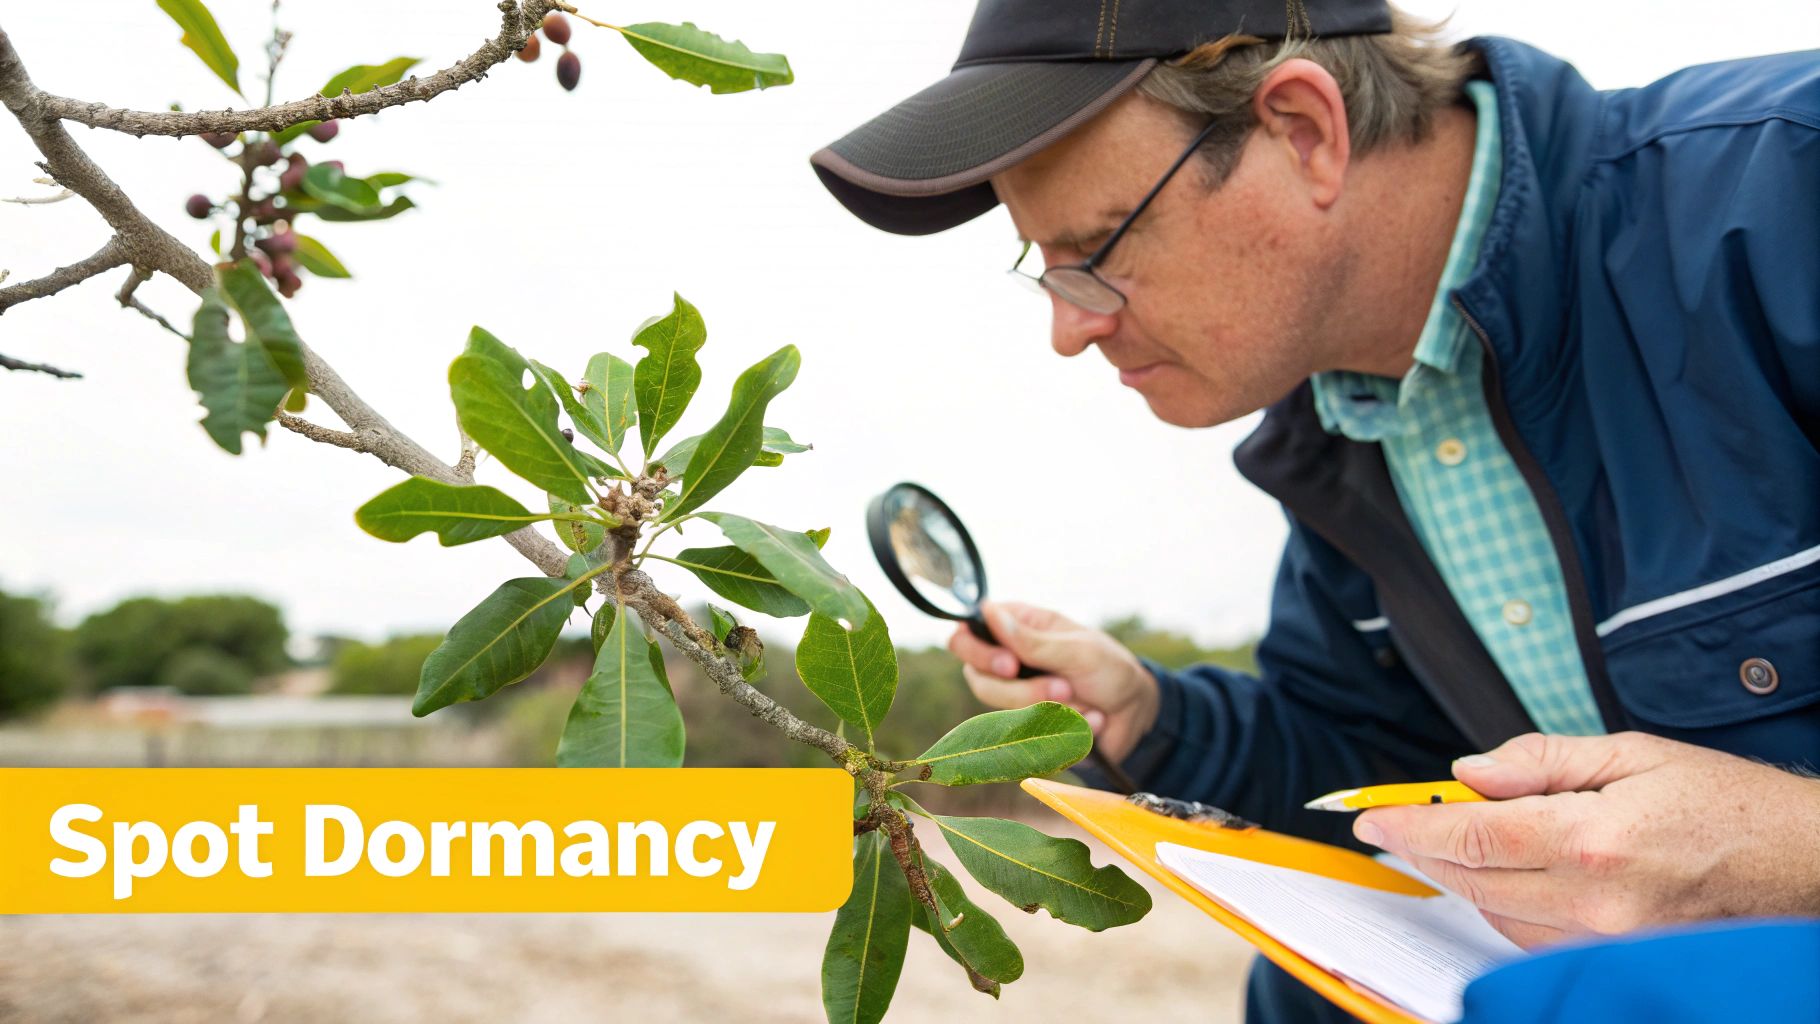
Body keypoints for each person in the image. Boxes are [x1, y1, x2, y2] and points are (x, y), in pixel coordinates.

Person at [811, 0, 1820, 1020]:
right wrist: (1151, 720)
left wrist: (1790, 850)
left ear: (1302, 131)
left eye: (1094, 250)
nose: (1070, 329)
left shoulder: (1787, 196)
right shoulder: (1336, 441)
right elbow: (1369, 772)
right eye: (1045, 272)